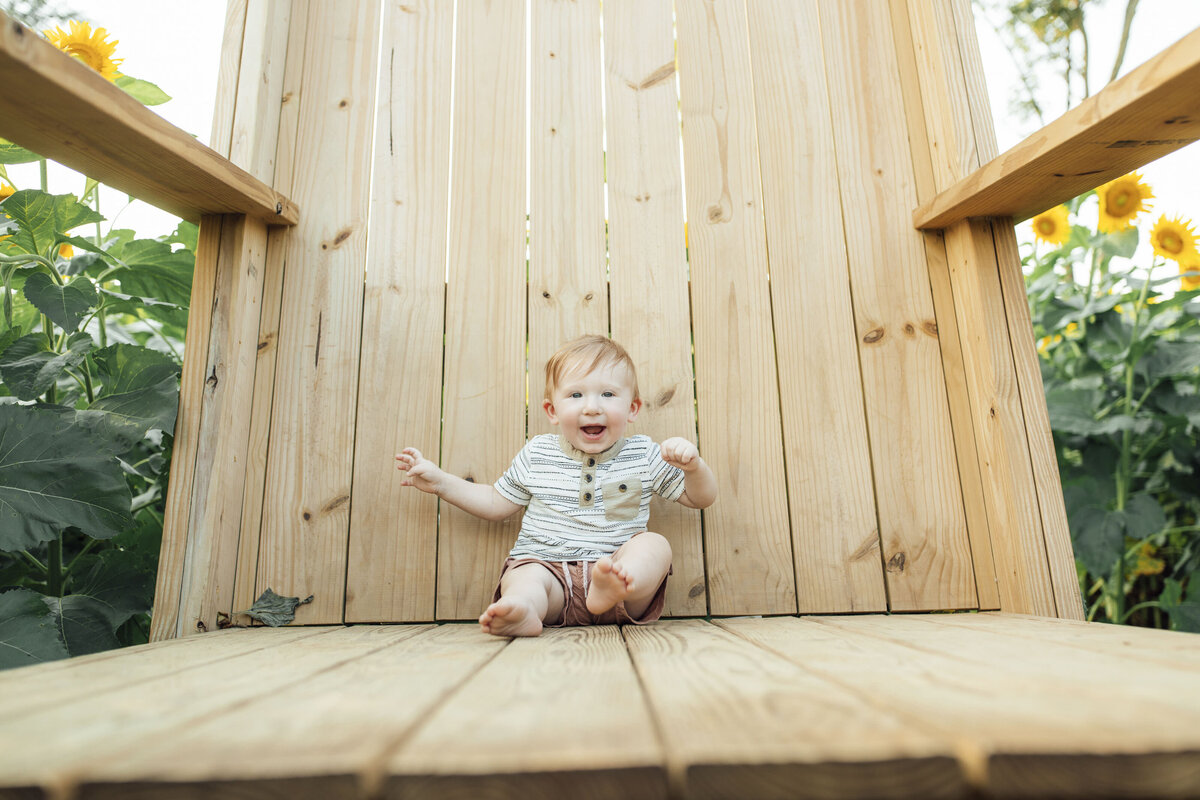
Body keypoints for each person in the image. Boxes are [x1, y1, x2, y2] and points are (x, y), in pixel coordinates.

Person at [395, 334, 717, 637]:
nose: (592, 407)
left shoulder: (644, 455)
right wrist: (441, 482)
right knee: (527, 576)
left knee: (655, 545)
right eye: (576, 395)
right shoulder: (538, 453)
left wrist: (694, 468)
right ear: (552, 410)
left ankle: (614, 585)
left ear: (632, 408)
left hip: (618, 576)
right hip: (551, 573)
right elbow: (495, 501)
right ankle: (523, 609)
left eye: (607, 394)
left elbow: (700, 498)